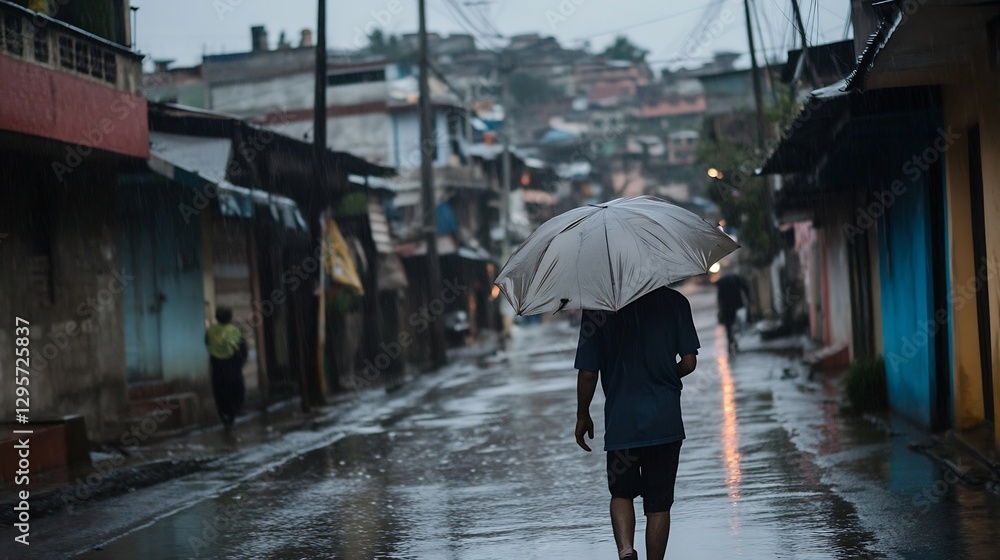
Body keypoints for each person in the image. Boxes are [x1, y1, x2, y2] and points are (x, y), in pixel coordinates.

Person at [574, 286, 700, 560]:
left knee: (621, 492)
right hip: (664, 421)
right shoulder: (675, 301)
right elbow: (689, 363)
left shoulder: (598, 308)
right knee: (658, 504)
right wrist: (666, 376)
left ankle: (626, 551)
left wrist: (582, 415)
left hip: (623, 423)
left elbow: (587, 373)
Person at [205, 306, 248, 430]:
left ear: (217, 317)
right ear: (230, 317)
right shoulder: (234, 330)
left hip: (217, 366)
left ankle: (224, 417)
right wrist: (242, 359)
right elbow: (242, 346)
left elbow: (207, 342)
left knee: (220, 392)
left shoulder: (211, 331)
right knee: (235, 390)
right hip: (232, 365)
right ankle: (233, 413)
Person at [714, 272, 751, 353]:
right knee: (733, 324)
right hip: (734, 305)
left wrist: (720, 306)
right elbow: (745, 288)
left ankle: (731, 340)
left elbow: (720, 296)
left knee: (729, 325)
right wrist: (748, 299)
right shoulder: (736, 279)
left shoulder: (723, 282)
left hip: (726, 306)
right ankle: (733, 341)